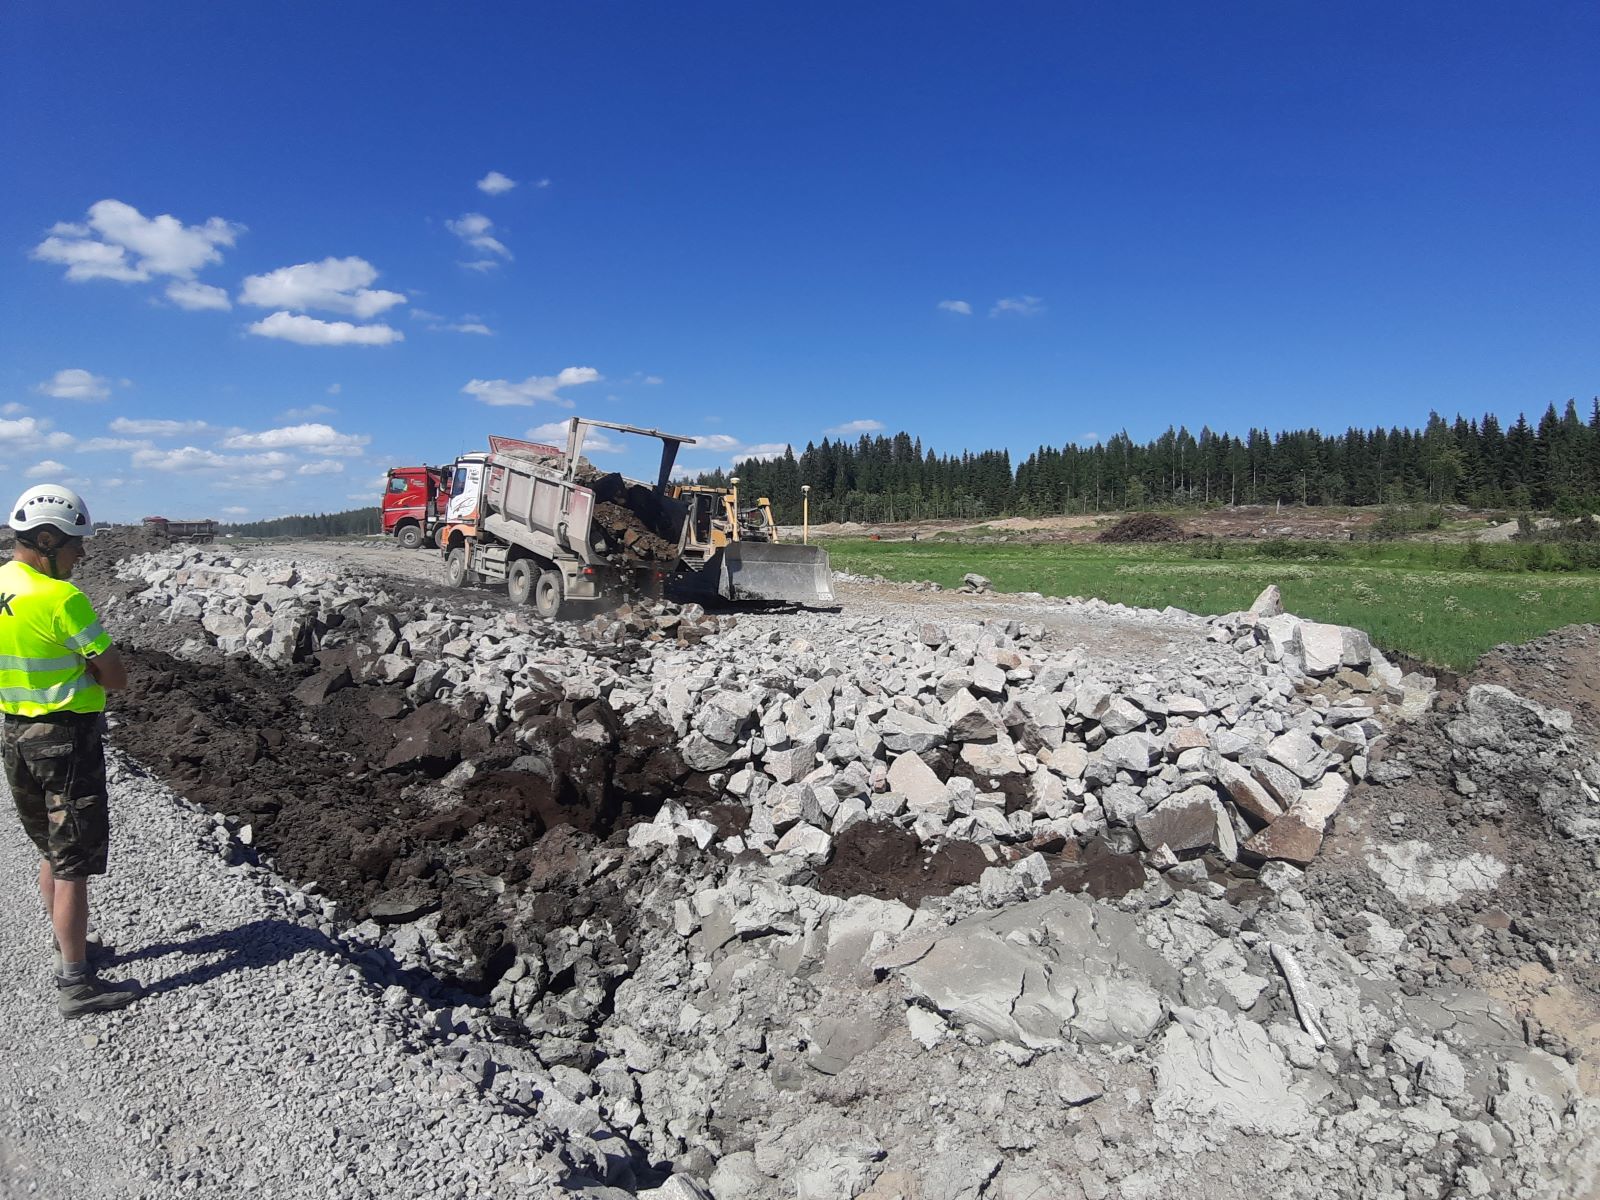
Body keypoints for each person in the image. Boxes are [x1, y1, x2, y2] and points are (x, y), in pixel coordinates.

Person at [0, 484, 140, 1017]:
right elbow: (117, 676)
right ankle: (77, 982)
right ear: (46, 539)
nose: (82, 555)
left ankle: (67, 947)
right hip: (65, 741)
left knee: (49, 849)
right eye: (75, 544)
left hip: (16, 734)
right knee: (73, 863)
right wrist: (88, 669)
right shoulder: (62, 599)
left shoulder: (4, 584)